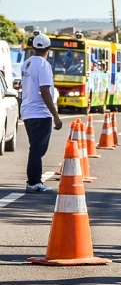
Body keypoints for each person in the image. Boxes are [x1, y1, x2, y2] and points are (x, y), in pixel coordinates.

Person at [20, 33, 63, 193]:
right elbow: (44, 90)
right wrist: (56, 115)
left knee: (36, 148)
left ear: (33, 47)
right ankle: (34, 182)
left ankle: (34, 180)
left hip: (28, 111)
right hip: (40, 112)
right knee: (38, 149)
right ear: (49, 49)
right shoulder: (44, 65)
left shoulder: (27, 63)